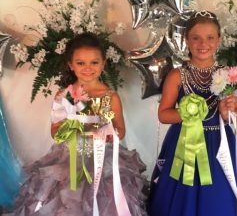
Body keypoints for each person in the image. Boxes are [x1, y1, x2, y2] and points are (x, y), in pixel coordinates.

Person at [8, 32, 148, 216]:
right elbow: (55, 132)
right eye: (81, 63)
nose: (88, 68)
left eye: (94, 62)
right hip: (69, 157)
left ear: (103, 63)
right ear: (70, 65)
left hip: (102, 160)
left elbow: (120, 131)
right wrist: (72, 128)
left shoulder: (110, 97)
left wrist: (103, 132)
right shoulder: (63, 95)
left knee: (105, 199)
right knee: (68, 200)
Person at [148, 11, 237, 216]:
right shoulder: (177, 75)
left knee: (217, 197)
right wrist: (189, 114)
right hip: (183, 143)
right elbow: (164, 115)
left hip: (218, 143)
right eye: (196, 38)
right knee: (180, 195)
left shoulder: (228, 74)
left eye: (210, 38)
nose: (202, 43)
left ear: (219, 40)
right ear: (186, 40)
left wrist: (229, 109)